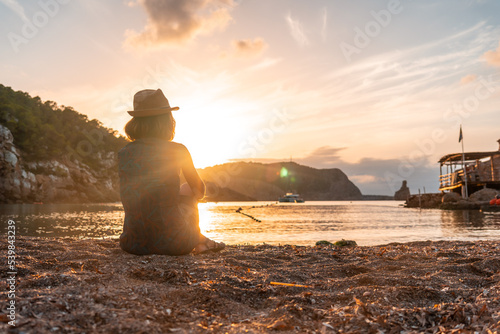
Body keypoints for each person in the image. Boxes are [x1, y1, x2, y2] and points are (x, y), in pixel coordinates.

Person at [118, 89, 225, 255]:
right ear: (167, 120)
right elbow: (199, 191)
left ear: (135, 122)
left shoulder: (124, 153)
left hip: (132, 243)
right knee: (187, 188)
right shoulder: (178, 150)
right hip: (174, 244)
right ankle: (200, 241)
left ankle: (201, 240)